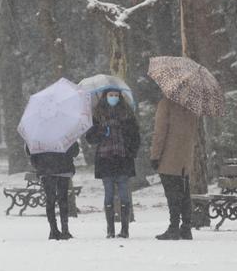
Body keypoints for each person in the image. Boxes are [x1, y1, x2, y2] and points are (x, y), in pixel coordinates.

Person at [85, 89, 142, 238]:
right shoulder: (97, 116)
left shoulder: (127, 114)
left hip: (123, 159)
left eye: (116, 95)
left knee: (124, 195)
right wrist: (102, 132)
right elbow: (90, 138)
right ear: (105, 97)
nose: (114, 98)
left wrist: (132, 152)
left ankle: (125, 229)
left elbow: (135, 136)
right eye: (111, 95)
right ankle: (110, 229)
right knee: (108, 193)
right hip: (106, 160)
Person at [151, 94, 200, 241]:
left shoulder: (166, 104)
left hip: (168, 156)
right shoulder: (192, 106)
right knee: (184, 193)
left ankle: (173, 227)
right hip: (185, 157)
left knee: (172, 194)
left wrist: (155, 156)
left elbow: (160, 133)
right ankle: (186, 227)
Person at [28, 142, 81, 240]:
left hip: (46, 169)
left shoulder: (38, 132)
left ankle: (53, 230)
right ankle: (65, 230)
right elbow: (75, 151)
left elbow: (30, 150)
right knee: (63, 199)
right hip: (63, 168)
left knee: (50, 200)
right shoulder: (64, 130)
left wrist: (39, 165)